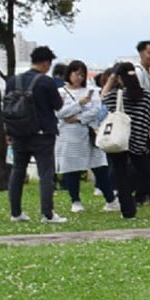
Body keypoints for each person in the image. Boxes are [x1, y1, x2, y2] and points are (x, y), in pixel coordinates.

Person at [99, 64, 150, 222]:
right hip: (139, 141)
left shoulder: (117, 95)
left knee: (121, 177)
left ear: (119, 78)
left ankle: (128, 212)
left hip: (119, 140)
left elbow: (102, 98)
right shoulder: (146, 96)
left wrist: (111, 80)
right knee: (147, 176)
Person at [4, 46, 66, 224]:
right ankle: (47, 214)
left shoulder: (13, 81)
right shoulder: (46, 82)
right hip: (42, 134)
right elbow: (57, 105)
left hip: (19, 133)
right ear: (46, 63)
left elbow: (7, 107)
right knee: (46, 173)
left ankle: (16, 213)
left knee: (17, 172)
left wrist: (9, 130)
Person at [54, 60, 114, 213]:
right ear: (69, 74)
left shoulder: (91, 91)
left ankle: (111, 199)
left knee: (99, 166)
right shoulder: (61, 92)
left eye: (82, 75)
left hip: (88, 133)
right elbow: (60, 113)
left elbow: (96, 110)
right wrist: (79, 104)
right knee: (71, 168)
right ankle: (75, 200)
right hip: (69, 136)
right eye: (76, 74)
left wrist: (78, 118)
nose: (79, 78)